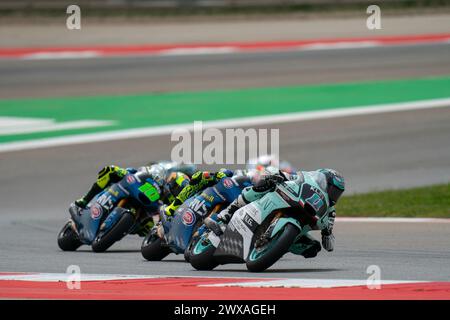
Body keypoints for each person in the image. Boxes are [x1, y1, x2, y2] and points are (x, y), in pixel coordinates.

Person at [204, 168, 345, 256]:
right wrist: (274, 176)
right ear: (323, 181)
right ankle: (224, 216)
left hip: (302, 222)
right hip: (285, 200)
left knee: (313, 248)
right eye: (333, 190)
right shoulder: (306, 180)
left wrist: (327, 233)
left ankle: (276, 244)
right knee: (262, 186)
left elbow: (329, 246)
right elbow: (284, 175)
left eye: (337, 193)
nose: (334, 195)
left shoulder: (330, 211)